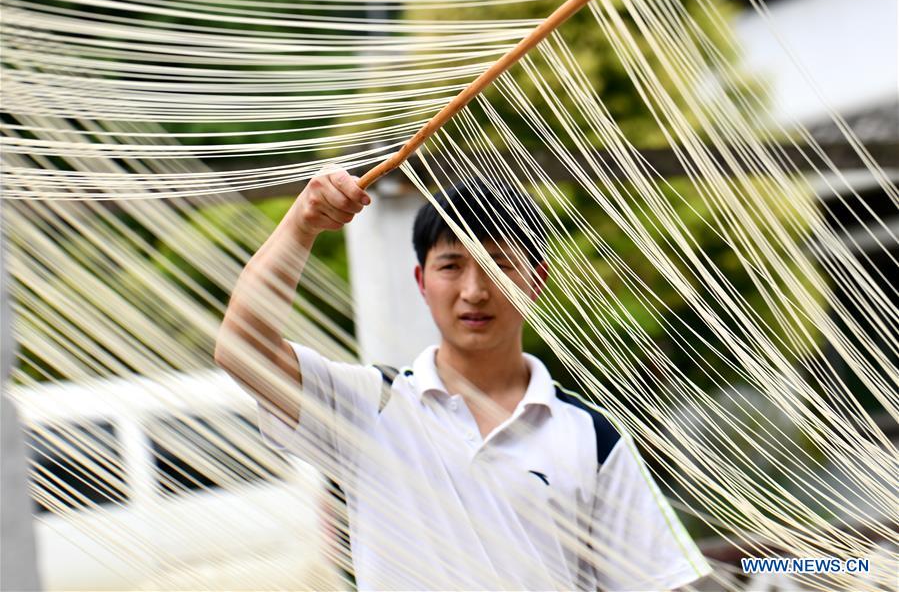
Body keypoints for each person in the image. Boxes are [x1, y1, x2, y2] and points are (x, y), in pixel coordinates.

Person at [215, 169, 711, 591]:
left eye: (498, 264)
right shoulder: (371, 406)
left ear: (536, 280)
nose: (474, 291)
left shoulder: (592, 436)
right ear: (422, 282)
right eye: (451, 265)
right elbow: (241, 350)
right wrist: (301, 224)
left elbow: (656, 582)